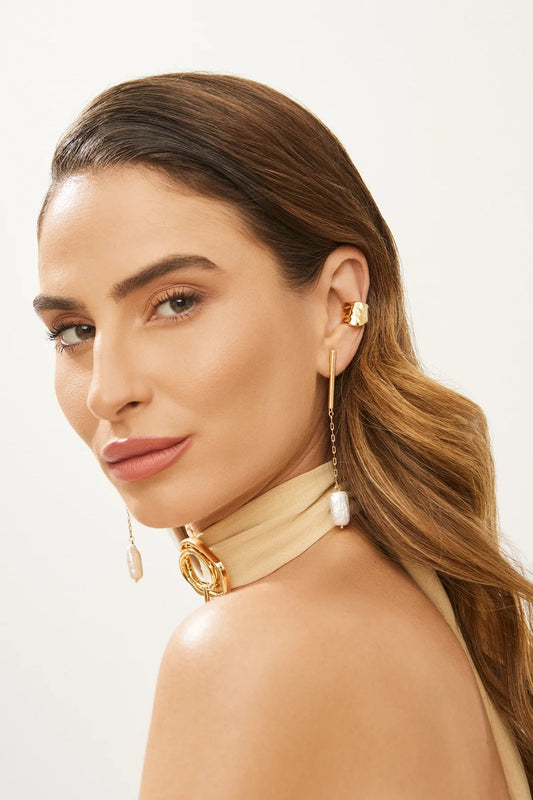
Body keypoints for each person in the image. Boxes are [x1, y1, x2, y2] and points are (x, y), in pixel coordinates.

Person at [33, 73, 532, 799]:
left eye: (175, 302)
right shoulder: (410, 603)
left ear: (336, 308)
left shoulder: (251, 646)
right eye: (74, 331)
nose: (107, 392)